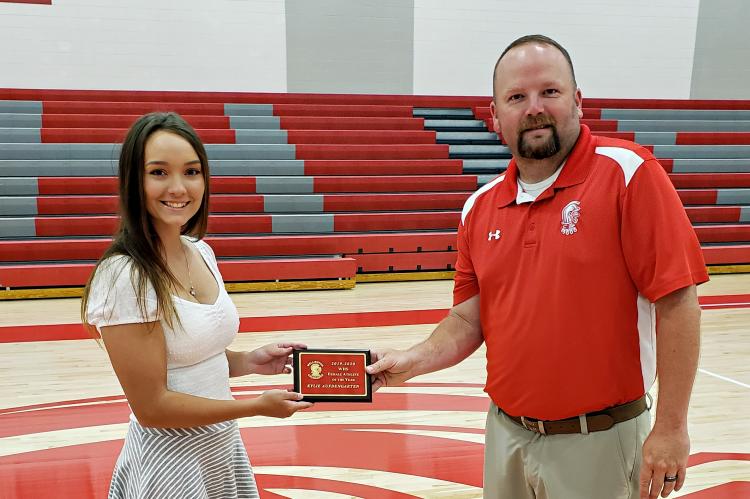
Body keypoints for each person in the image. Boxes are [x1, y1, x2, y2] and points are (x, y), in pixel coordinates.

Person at [367, 34, 708, 499]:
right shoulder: (479, 207)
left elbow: (678, 301)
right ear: (495, 116)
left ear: (578, 100)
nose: (533, 108)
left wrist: (671, 428)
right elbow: (469, 317)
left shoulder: (629, 175)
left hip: (599, 439)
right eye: (516, 97)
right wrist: (416, 359)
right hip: (506, 434)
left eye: (549, 91)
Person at [81, 112, 313, 498]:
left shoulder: (201, 251)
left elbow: (191, 360)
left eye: (191, 171)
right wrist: (255, 407)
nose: (178, 187)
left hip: (219, 448)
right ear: (133, 182)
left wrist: (249, 362)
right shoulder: (125, 276)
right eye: (159, 172)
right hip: (169, 464)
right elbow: (152, 407)